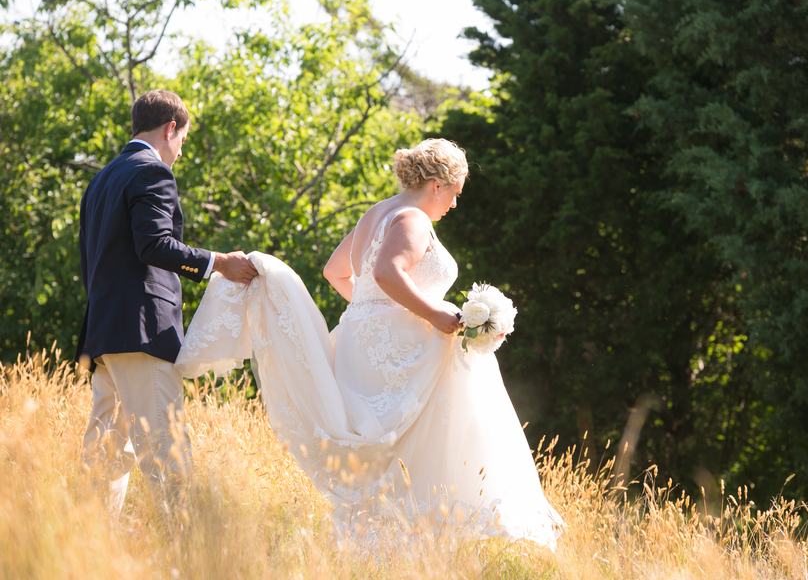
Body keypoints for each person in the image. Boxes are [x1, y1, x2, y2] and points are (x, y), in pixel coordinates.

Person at [175, 138, 563, 548]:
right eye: (454, 194)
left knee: (386, 442)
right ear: (435, 184)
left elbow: (336, 273)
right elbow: (387, 272)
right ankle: (441, 534)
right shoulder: (412, 219)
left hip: (362, 344)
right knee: (432, 435)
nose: (453, 205)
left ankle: (383, 537)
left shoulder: (374, 215)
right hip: (403, 350)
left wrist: (374, 310)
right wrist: (432, 315)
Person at [77, 89, 258, 512]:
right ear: (170, 128)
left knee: (103, 455)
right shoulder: (151, 172)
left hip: (106, 334)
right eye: (182, 141)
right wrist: (218, 262)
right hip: (143, 333)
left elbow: (92, 260)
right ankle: (188, 552)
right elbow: (155, 245)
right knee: (167, 449)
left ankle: (89, 547)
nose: (179, 152)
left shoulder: (101, 179)